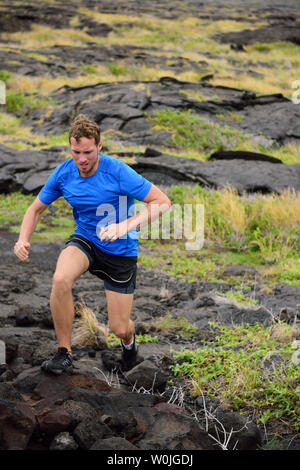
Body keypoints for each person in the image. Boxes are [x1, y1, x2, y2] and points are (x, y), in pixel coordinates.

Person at [14, 114, 171, 375]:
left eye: (87, 152)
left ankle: (129, 346)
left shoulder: (117, 171)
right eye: (76, 152)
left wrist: (125, 226)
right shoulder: (64, 173)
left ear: (99, 146)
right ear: (70, 148)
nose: (82, 159)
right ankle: (64, 352)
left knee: (120, 328)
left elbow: (162, 202)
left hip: (120, 249)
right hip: (86, 239)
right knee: (60, 279)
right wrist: (22, 239)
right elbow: (35, 210)